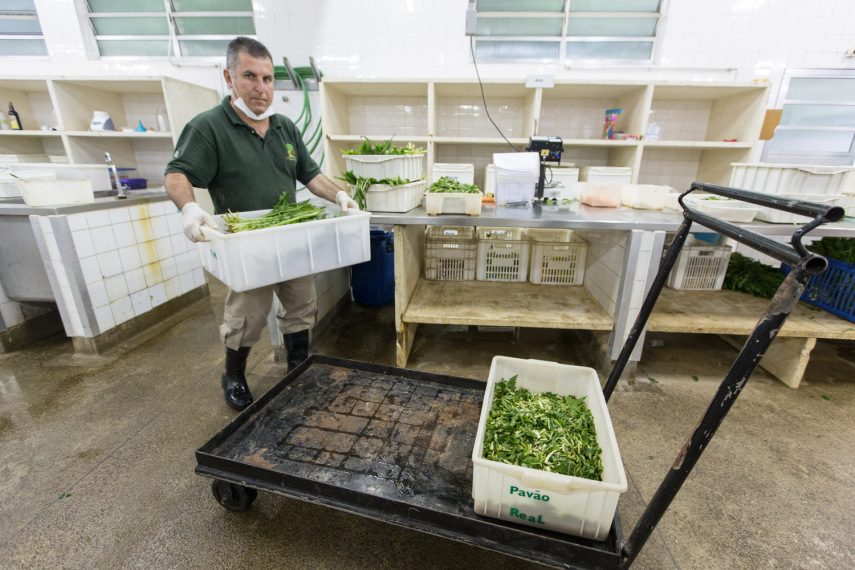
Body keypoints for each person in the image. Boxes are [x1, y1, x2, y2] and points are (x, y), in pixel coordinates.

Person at [164, 36, 358, 412]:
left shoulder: (284, 127)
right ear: (229, 77)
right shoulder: (210, 127)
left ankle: (298, 367)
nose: (260, 88)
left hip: (289, 237)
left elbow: (311, 174)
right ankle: (233, 374)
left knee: (300, 304)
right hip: (246, 244)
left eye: (267, 79)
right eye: (250, 76)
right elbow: (177, 174)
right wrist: (188, 208)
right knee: (247, 314)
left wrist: (339, 196)